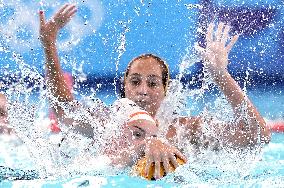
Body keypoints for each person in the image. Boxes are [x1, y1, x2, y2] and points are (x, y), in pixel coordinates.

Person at [39, 4, 271, 180]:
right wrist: (48, 44)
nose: (143, 91)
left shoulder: (186, 130)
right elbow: (63, 111)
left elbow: (257, 137)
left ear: (165, 91)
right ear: (125, 87)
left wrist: (221, 76)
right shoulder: (105, 124)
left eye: (152, 84)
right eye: (135, 82)